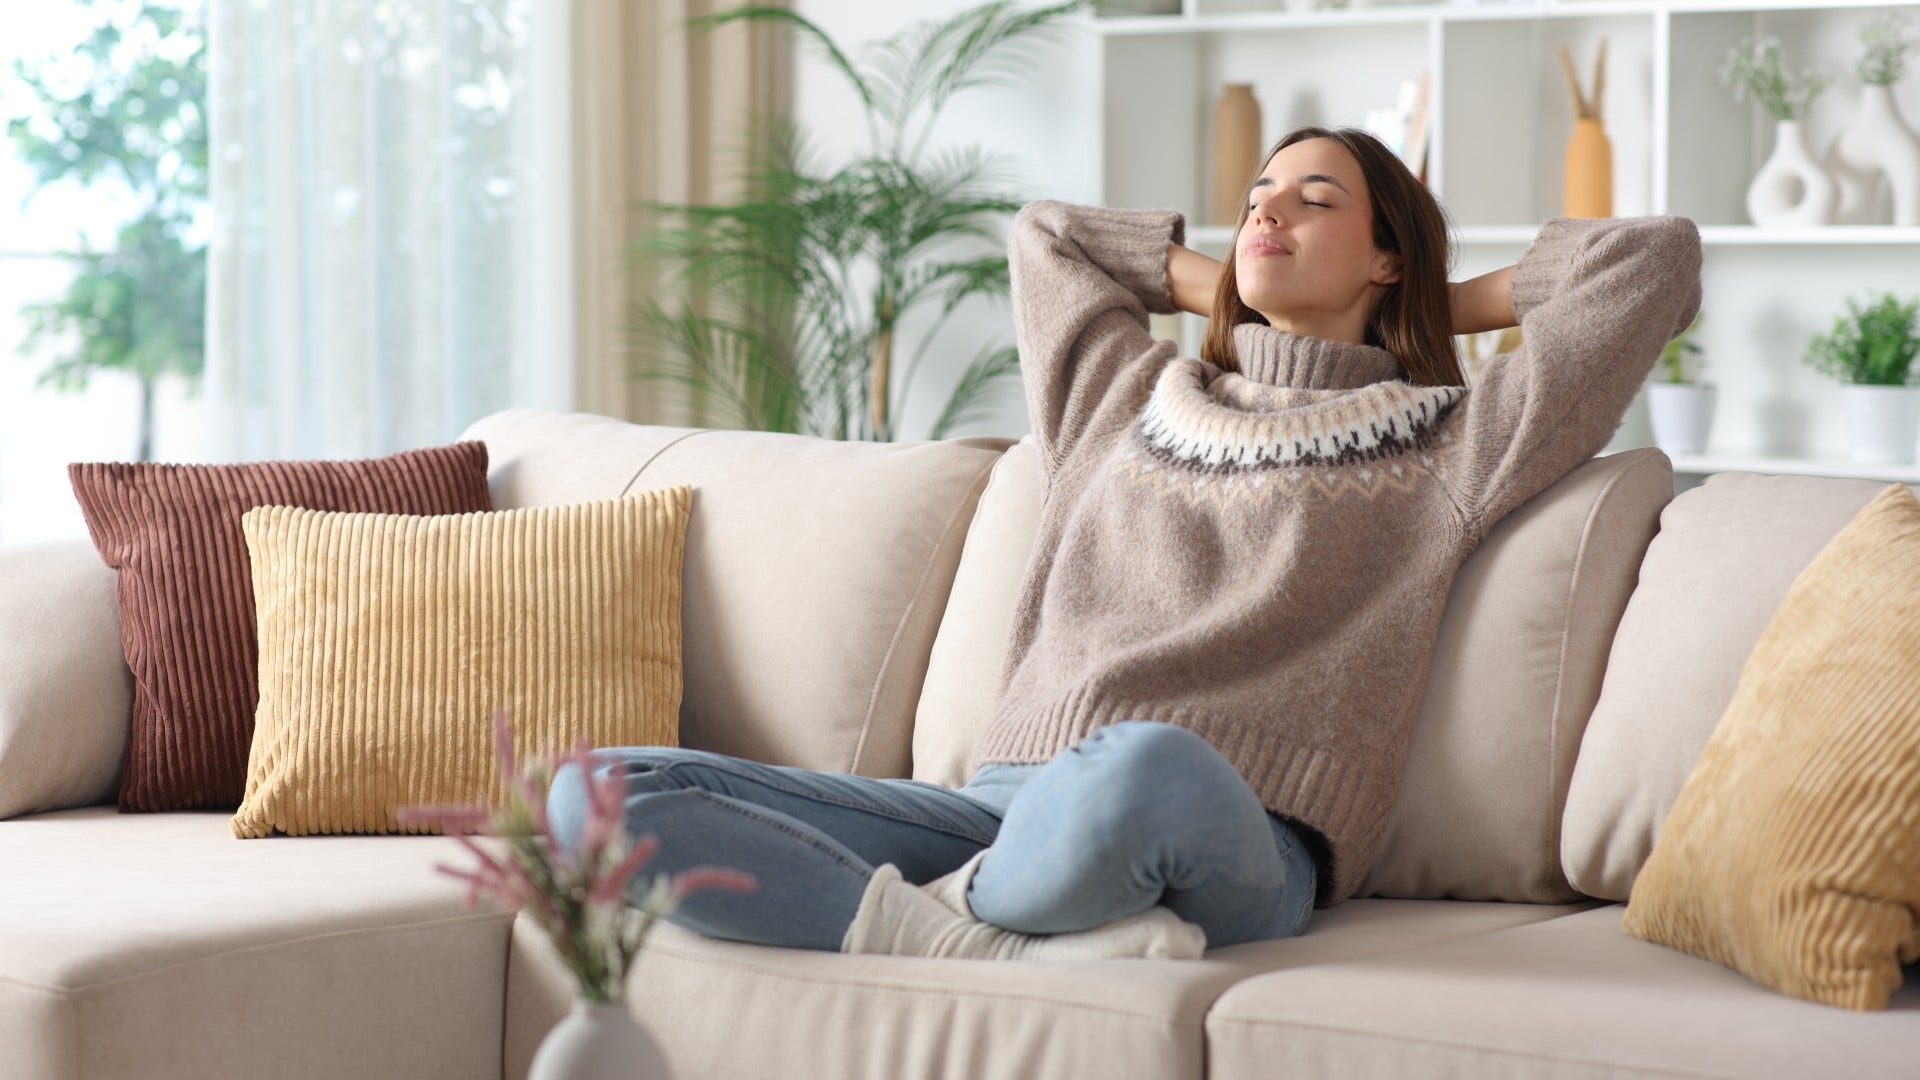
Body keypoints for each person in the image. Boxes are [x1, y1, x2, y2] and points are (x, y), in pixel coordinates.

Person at [547, 124, 1704, 961]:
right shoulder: (1121, 397)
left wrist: (1434, 304)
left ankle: (990, 915)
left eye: (1315, 201)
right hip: (1002, 810)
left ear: (1388, 254)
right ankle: (969, 937)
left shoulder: (1451, 440)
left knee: (1148, 761)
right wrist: (1231, 288)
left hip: (1229, 827)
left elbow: (1649, 260)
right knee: (591, 795)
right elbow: (1048, 235)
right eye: (1258, 196)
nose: (1269, 214)